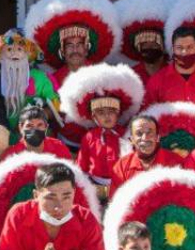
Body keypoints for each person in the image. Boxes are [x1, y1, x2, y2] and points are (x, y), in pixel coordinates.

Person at [24, 0, 121, 153]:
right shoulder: (51, 79)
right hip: (63, 145)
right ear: (62, 50)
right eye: (70, 45)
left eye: (79, 45)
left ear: (87, 48)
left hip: (99, 146)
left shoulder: (103, 75)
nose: (75, 50)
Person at [58, 64, 144, 197]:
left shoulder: (127, 134)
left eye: (111, 112)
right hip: (95, 190)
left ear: (118, 113)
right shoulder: (89, 137)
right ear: (93, 116)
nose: (107, 116)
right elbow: (82, 167)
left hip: (122, 188)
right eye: (101, 113)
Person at [0, 29, 60, 137]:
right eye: (9, 49)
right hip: (3, 139)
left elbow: (56, 104)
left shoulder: (40, 78)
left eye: (19, 49)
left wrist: (36, 117)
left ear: (27, 54)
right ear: (1, 56)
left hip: (35, 138)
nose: (14, 53)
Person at [109, 115, 182, 196]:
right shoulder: (121, 166)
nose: (145, 138)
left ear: (157, 137)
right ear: (131, 140)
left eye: (149, 132)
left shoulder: (176, 162)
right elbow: (116, 202)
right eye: (139, 134)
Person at [116, 0, 174, 85]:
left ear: (164, 46)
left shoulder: (174, 74)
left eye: (154, 44)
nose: (149, 47)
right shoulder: (130, 76)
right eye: (144, 45)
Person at [0, 105, 73, 161]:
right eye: (29, 126)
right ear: (21, 128)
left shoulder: (59, 147)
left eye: (39, 125)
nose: (35, 130)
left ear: (46, 127)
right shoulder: (10, 156)